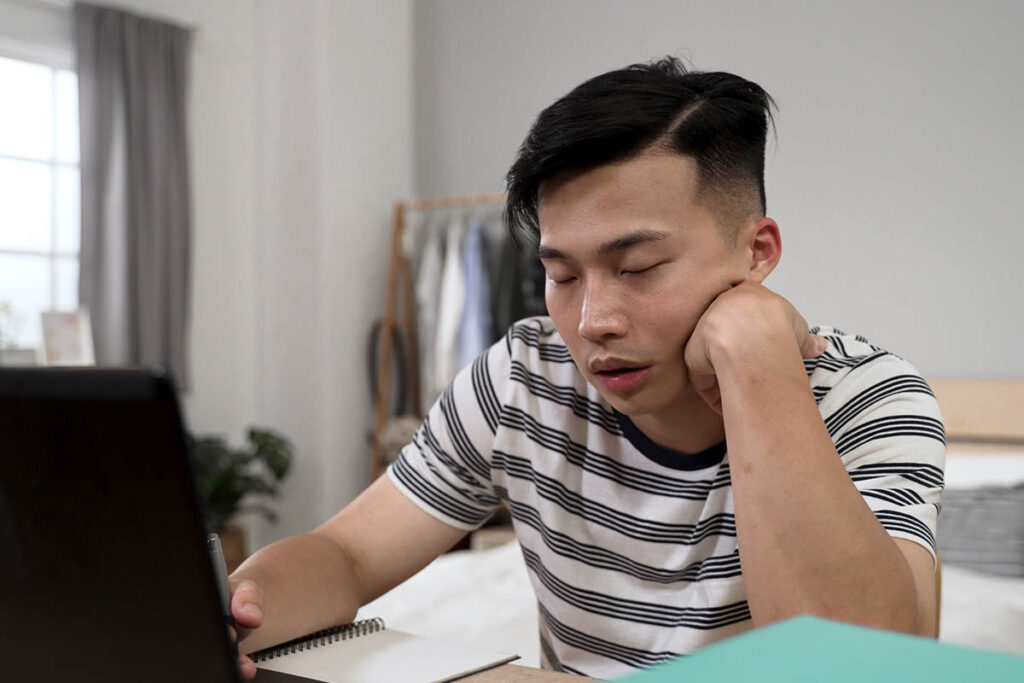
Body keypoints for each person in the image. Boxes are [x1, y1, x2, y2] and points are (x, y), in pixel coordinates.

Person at [228, 56, 945, 680]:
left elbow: (861, 665)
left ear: (757, 252)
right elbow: (347, 554)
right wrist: (240, 608)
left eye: (637, 266)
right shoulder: (522, 377)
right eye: (563, 275)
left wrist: (755, 346)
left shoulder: (866, 396)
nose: (592, 318)